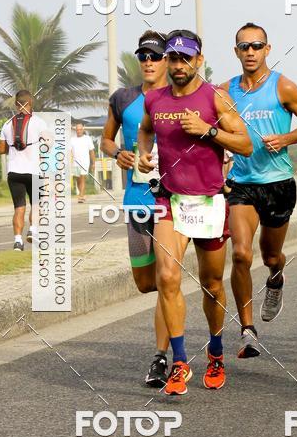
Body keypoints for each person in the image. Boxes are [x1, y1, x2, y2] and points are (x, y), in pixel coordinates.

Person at [137, 28, 252, 396]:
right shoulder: (154, 101)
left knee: (212, 283)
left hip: (208, 203)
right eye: (173, 58)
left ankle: (216, 351)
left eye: (186, 58)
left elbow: (246, 145)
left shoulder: (216, 98)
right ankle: (182, 361)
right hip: (170, 200)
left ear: (199, 60)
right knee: (168, 277)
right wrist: (143, 153)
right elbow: (144, 130)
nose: (179, 64)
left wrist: (208, 131)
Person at [221, 22, 297, 358]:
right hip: (242, 184)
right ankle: (247, 330)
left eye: (256, 46)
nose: (250, 52)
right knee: (241, 254)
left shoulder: (283, 86)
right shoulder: (224, 91)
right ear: (236, 52)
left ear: (267, 49)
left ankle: (275, 277)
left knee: (270, 255)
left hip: (277, 184)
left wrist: (287, 139)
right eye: (244, 46)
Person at [101, 30, 171, 387]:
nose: (148, 61)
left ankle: (162, 356)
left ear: (167, 60)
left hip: (170, 201)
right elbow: (105, 139)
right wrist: (118, 154)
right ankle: (173, 315)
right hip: (136, 199)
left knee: (165, 278)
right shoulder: (123, 99)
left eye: (155, 56)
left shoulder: (179, 97)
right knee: (147, 283)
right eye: (143, 55)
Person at [0, 90, 48, 250]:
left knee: (19, 207)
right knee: (37, 204)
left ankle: (18, 241)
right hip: (33, 171)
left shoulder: (7, 124)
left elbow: (0, 149)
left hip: (14, 172)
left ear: (16, 104)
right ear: (30, 103)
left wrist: (11, 148)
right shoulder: (39, 122)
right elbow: (47, 145)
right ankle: (32, 230)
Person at [71, 123, 96, 203]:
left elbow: (91, 151)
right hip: (75, 163)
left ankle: (81, 196)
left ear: (83, 130)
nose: (79, 131)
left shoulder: (87, 138)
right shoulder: (72, 139)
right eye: (77, 129)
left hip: (85, 162)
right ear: (76, 130)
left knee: (82, 178)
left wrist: (93, 163)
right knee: (78, 179)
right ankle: (82, 194)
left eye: (80, 129)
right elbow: (69, 151)